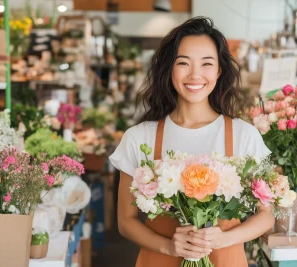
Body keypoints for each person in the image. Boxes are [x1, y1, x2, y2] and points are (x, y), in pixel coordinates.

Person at [109, 16, 275, 267]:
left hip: (225, 258)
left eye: (206, 63)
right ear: (169, 69)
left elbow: (266, 217)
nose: (195, 74)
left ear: (219, 71)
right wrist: (169, 246)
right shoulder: (139, 138)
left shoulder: (245, 136)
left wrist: (223, 238)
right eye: (183, 63)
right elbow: (126, 221)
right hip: (159, 260)